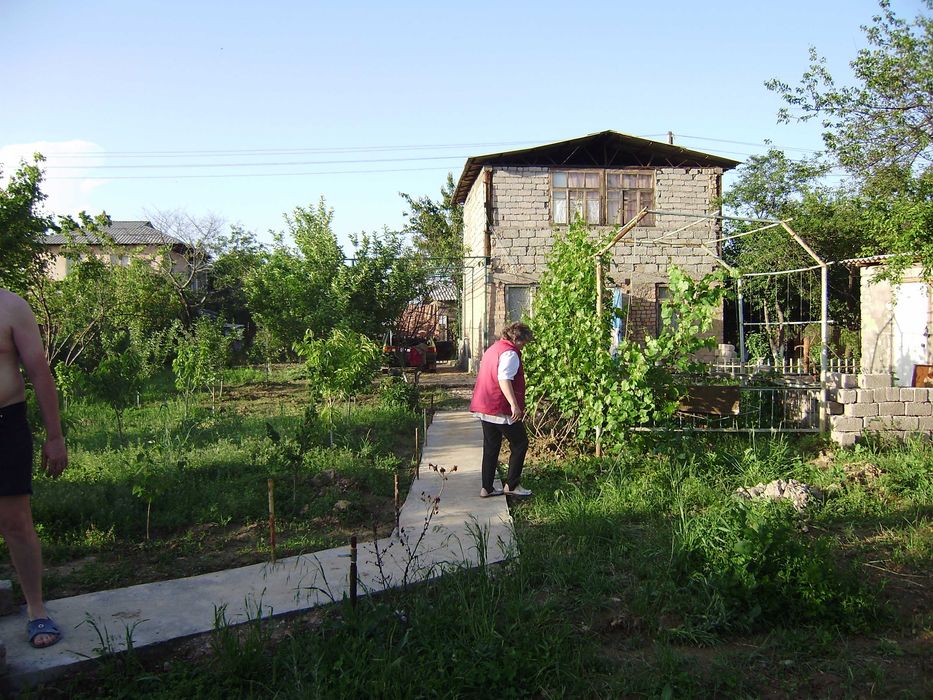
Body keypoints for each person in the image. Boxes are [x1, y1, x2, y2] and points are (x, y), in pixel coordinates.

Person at [0, 289, 67, 649]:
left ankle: (36, 609)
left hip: (4, 425)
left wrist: (54, 436)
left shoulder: (10, 306)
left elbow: (39, 370)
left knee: (15, 522)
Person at [469, 322, 534, 498]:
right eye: (524, 342)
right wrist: (514, 404)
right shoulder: (510, 353)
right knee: (520, 443)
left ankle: (487, 488)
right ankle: (512, 485)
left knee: (491, 446)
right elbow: (504, 378)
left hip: (485, 405)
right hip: (499, 407)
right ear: (517, 338)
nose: (524, 346)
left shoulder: (494, 348)